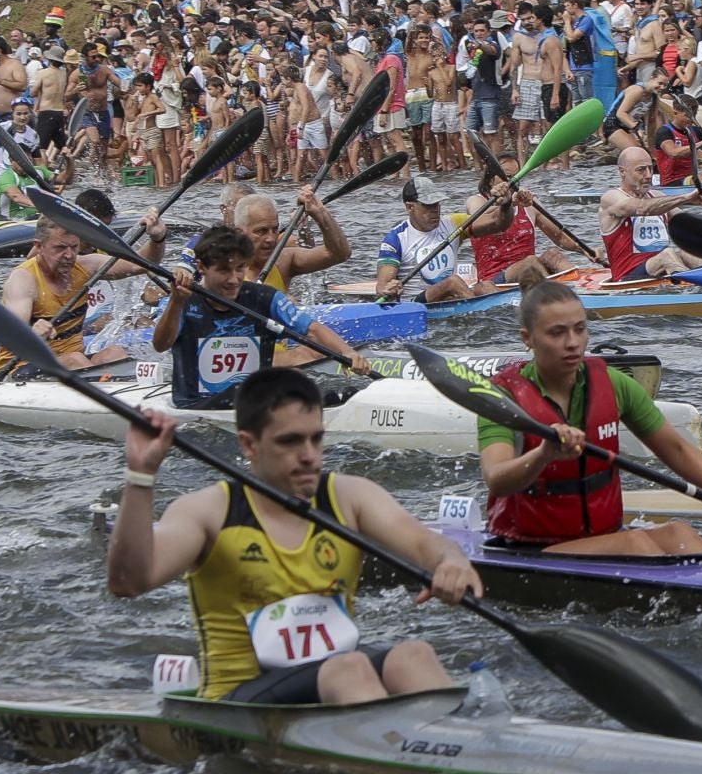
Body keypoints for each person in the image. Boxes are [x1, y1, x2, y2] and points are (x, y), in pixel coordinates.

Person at [107, 368, 482, 704]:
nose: (309, 456)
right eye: (290, 442)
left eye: (316, 439)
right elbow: (128, 582)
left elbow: (424, 543)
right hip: (242, 701)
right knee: (348, 668)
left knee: (412, 655)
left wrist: (451, 561)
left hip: (339, 686)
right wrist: (141, 476)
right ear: (249, 445)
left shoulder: (349, 497)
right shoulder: (207, 511)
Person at [477, 283, 702, 553]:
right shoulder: (503, 397)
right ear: (527, 338)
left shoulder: (613, 383)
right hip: (529, 548)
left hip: (605, 535)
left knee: (680, 533)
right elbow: (496, 479)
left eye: (580, 329)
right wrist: (544, 454)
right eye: (557, 333)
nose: (573, 343)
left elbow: (677, 450)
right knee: (636, 542)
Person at [154, 225, 369, 410]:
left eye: (240, 269)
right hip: (196, 405)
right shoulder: (182, 299)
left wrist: (347, 352)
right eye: (224, 271)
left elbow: (311, 329)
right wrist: (175, 302)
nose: (233, 279)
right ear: (202, 267)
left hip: (254, 402)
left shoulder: (264, 298)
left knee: (335, 391)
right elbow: (161, 344)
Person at [0, 213, 167, 372]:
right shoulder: (23, 280)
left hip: (72, 365)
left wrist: (158, 238)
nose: (69, 255)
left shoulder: (85, 266)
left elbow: (141, 264)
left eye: (74, 247)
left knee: (114, 353)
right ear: (39, 246)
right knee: (75, 360)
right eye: (60, 248)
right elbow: (13, 333)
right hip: (21, 366)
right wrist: (32, 333)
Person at [374, 175, 504, 303]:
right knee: (452, 282)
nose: (435, 210)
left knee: (485, 286)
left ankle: (504, 316)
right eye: (428, 205)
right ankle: (479, 316)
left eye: (437, 204)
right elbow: (382, 286)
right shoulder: (395, 239)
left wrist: (506, 204)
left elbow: (498, 223)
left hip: (450, 295)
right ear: (410, 207)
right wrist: (388, 289)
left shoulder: (453, 223)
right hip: (415, 303)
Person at [464, 155, 583, 287]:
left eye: (516, 177)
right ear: (491, 180)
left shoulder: (529, 204)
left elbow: (560, 237)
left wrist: (587, 251)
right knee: (531, 262)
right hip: (493, 281)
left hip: (531, 274)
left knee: (553, 254)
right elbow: (486, 218)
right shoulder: (475, 201)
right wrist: (510, 203)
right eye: (507, 177)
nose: (512, 182)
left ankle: (580, 290)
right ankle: (552, 297)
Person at [598, 147, 702, 281]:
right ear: (622, 171)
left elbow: (688, 224)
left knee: (690, 254)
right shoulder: (611, 198)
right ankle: (689, 288)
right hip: (627, 277)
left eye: (650, 168)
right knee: (667, 254)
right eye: (641, 170)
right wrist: (686, 198)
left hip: (660, 269)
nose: (648, 175)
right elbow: (642, 208)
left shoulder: (657, 196)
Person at [229, 188, 352, 294]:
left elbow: (339, 254)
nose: (271, 239)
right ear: (239, 233)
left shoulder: (283, 261)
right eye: (262, 231)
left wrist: (319, 213)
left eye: (275, 229)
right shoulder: (222, 268)